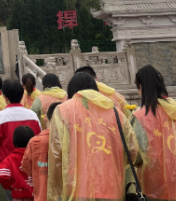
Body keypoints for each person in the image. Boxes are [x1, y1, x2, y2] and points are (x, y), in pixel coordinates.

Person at [47, 72, 138, 201]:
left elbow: (56, 155)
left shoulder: (62, 111)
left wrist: (56, 192)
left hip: (77, 189)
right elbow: (132, 149)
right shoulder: (115, 112)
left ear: (72, 92)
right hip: (111, 188)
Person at [0, 79, 41, 201]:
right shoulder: (32, 115)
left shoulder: (0, 117)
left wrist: (3, 158)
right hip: (31, 166)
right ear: (22, 95)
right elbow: (38, 139)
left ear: (5, 97)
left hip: (9, 167)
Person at [130, 65, 176, 201]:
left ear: (141, 88)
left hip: (153, 185)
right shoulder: (173, 109)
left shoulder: (139, 116)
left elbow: (135, 154)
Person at [22, 102, 62, 201]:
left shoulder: (35, 141)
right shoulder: (72, 141)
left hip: (42, 195)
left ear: (46, 118)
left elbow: (26, 167)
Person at [0, 126, 35, 201]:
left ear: (14, 142)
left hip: (18, 197)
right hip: (37, 197)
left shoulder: (9, 160)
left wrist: (9, 187)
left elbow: (1, 175)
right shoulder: (37, 157)